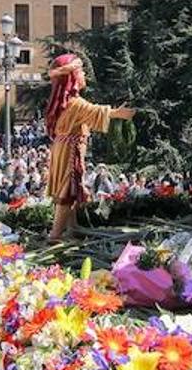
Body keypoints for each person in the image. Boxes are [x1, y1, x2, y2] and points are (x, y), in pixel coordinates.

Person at [44, 54, 136, 241]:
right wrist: (119, 113)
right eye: (81, 71)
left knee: (70, 188)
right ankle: (55, 235)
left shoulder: (66, 102)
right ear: (72, 77)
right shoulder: (76, 103)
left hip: (63, 148)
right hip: (70, 151)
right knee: (67, 191)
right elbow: (94, 111)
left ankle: (72, 227)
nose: (84, 74)